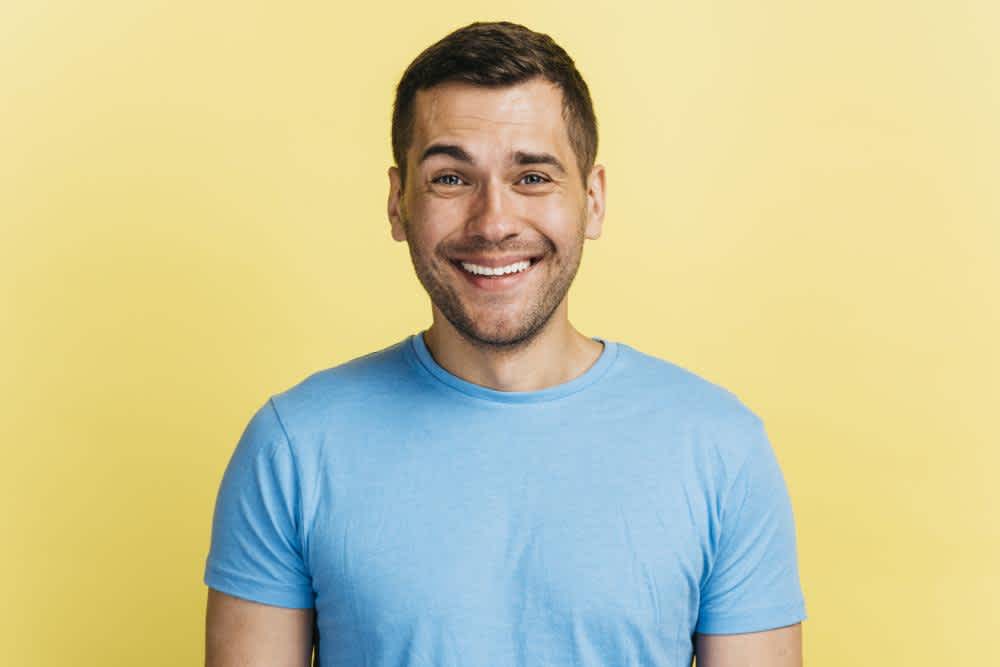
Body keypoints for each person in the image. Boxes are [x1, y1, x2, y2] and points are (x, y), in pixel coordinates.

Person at [203, 20, 807, 667]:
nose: (493, 223)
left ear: (593, 200)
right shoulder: (291, 447)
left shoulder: (720, 450)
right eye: (450, 179)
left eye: (533, 177)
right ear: (397, 203)